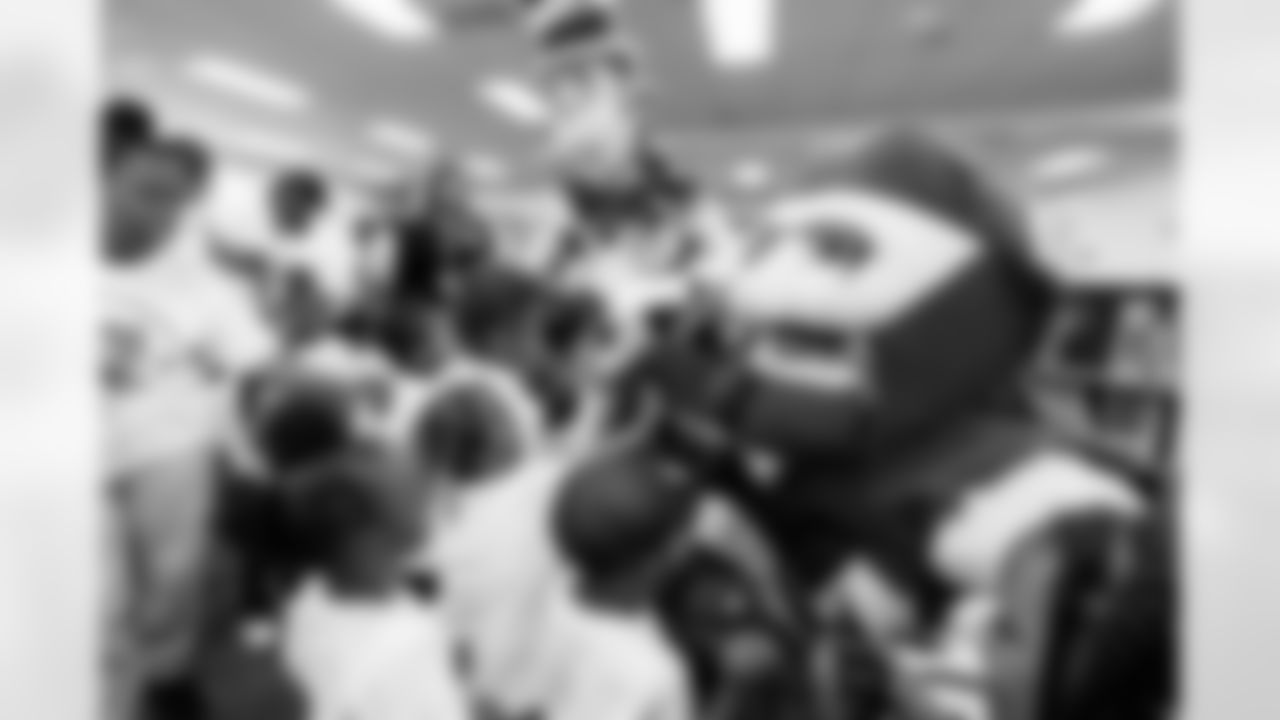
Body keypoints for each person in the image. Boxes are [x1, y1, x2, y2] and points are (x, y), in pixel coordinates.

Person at [279, 444, 473, 720]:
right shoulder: (403, 652)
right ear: (367, 537)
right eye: (413, 494)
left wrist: (441, 659)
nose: (430, 495)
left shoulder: (312, 596)